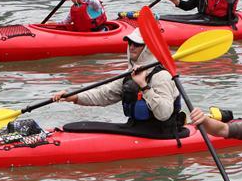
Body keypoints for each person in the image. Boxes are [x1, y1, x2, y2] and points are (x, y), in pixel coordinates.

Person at [51, 28, 183, 138]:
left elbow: (164, 113)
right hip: (136, 128)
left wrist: (144, 86)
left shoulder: (162, 76)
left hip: (163, 133)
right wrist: (74, 97)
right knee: (76, 127)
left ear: (147, 48)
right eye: (130, 43)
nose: (131, 47)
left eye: (137, 44)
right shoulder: (130, 73)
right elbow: (104, 94)